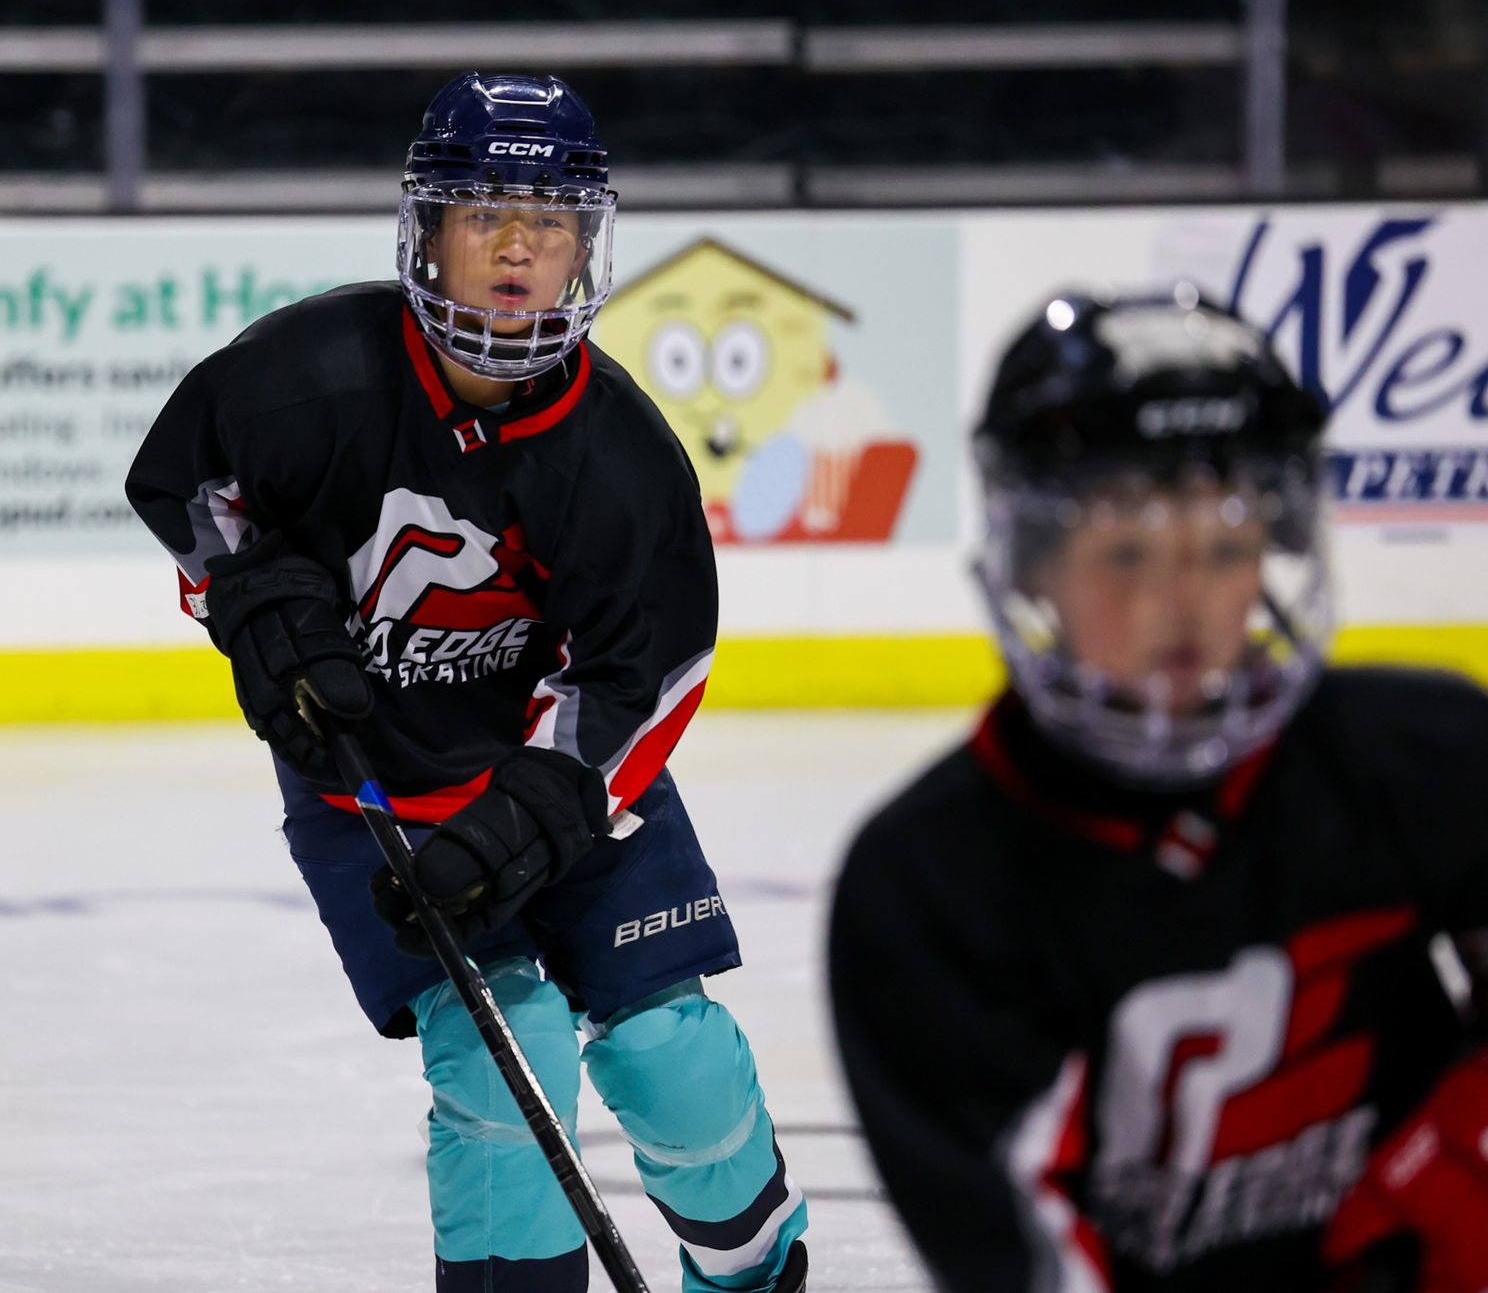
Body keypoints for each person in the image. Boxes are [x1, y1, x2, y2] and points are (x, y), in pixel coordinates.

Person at [126, 72, 809, 1293]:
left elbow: (644, 669)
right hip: (371, 792)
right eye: (484, 208)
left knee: (671, 1053)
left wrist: (546, 800)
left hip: (566, 787)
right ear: (425, 230)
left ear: (583, 246)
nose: (515, 245)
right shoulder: (310, 373)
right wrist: (260, 604)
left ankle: (756, 1279)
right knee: (507, 1050)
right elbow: (186, 485)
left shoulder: (620, 454)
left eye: (548, 218)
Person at [828, 289, 1488, 1293]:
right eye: (1126, 552)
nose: (1179, 603)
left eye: (1224, 551)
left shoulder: (1426, 757)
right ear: (1035, 568)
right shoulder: (930, 891)